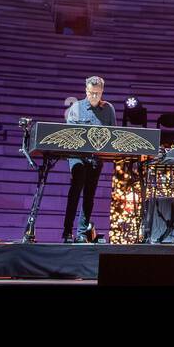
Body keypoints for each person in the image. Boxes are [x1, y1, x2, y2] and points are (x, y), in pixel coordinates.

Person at [63, 75, 116, 243]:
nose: (94, 96)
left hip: (96, 158)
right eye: (92, 92)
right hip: (77, 156)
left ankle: (80, 232)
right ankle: (67, 231)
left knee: (89, 195)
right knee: (76, 189)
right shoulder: (76, 107)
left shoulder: (108, 109)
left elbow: (113, 135)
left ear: (102, 92)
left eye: (98, 93)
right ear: (86, 90)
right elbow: (70, 135)